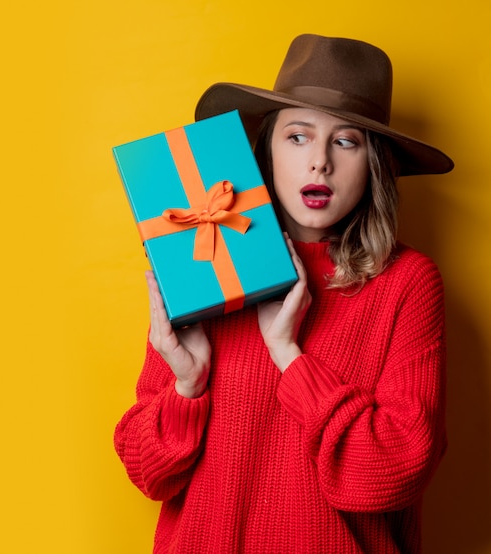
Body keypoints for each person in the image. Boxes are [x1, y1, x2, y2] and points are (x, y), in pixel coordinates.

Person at [114, 34, 453, 553]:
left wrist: (290, 357)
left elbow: (392, 473)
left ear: (374, 163)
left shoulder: (407, 282)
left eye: (346, 141)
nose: (320, 162)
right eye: (298, 137)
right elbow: (148, 474)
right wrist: (188, 384)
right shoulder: (208, 257)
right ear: (265, 151)